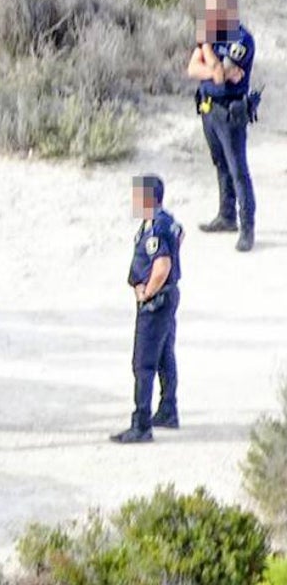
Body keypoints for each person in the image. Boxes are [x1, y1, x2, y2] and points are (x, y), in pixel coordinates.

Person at [112, 175, 183, 444]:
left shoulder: (155, 228)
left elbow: (162, 265)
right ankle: (167, 409)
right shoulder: (163, 220)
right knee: (164, 355)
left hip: (157, 301)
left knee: (143, 362)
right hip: (168, 296)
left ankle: (141, 424)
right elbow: (180, 234)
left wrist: (146, 292)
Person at [188, 0, 257, 251]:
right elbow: (192, 69)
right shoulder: (213, 34)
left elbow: (220, 75)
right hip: (209, 107)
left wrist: (206, 49)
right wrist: (211, 65)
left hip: (231, 111)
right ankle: (226, 216)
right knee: (220, 164)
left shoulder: (241, 40)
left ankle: (247, 226)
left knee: (238, 168)